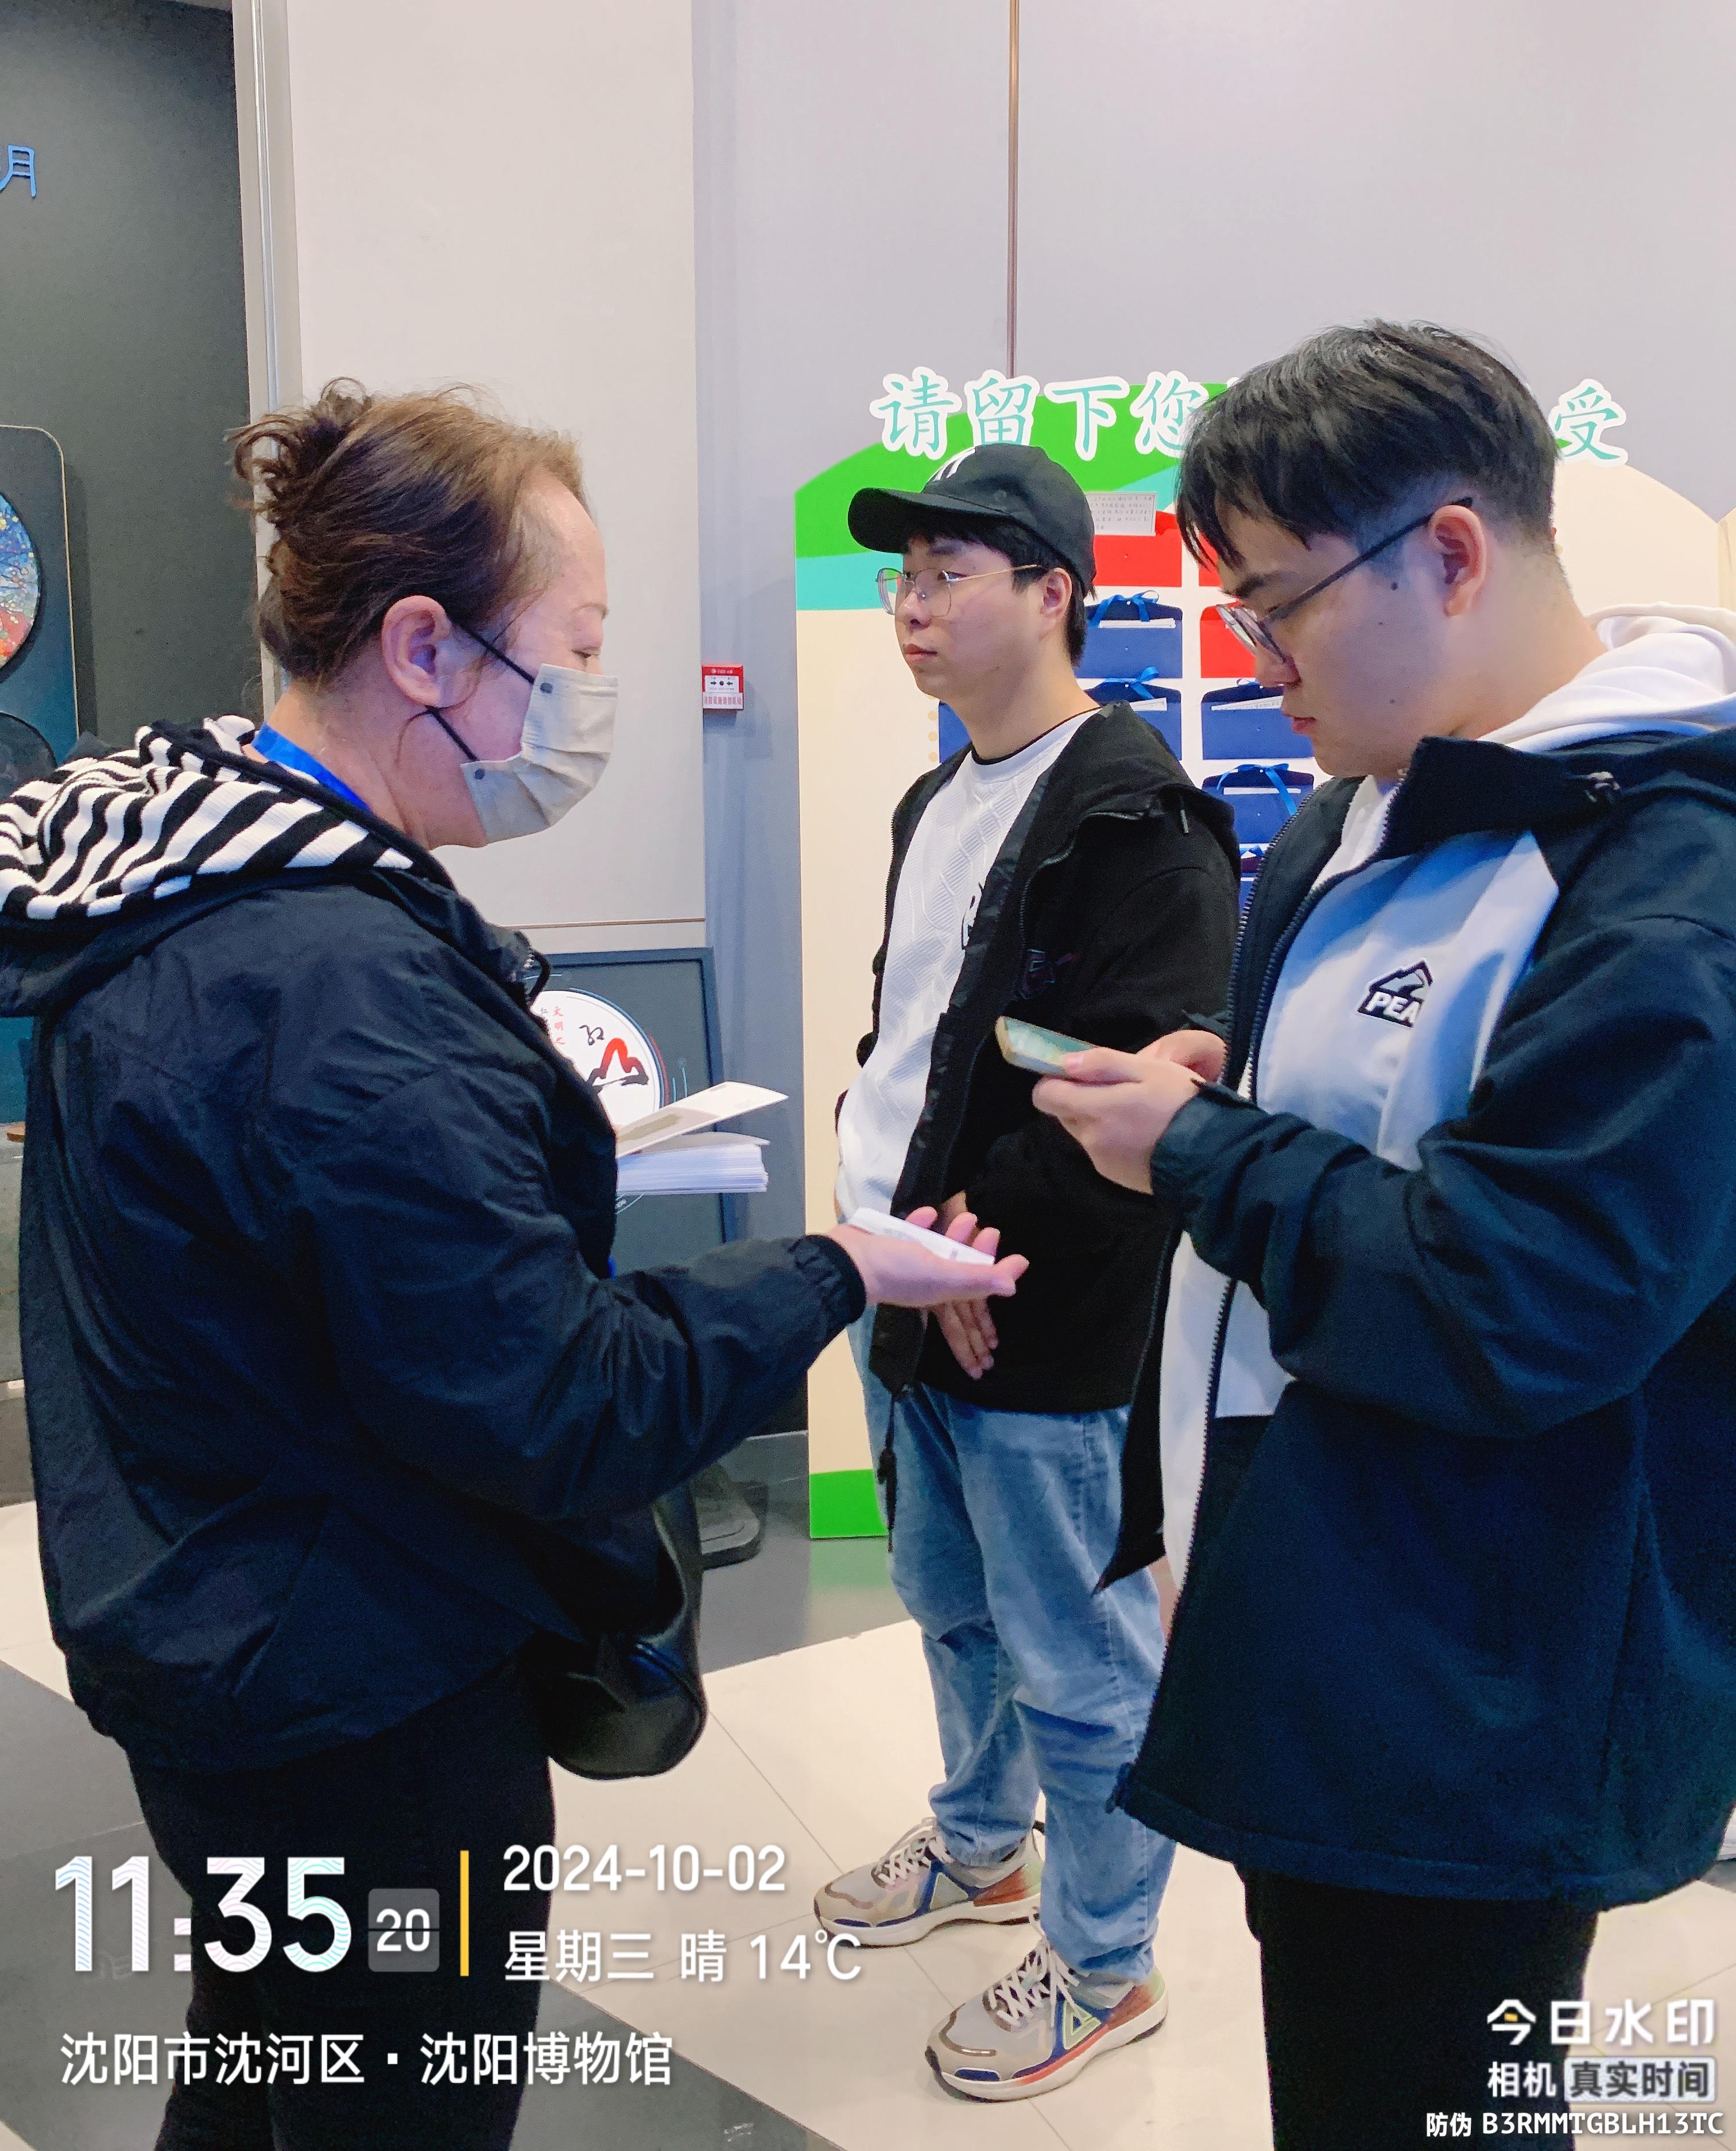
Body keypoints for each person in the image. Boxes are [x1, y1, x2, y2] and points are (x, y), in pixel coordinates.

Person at [4, 382, 1026, 2151]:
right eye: (578, 648)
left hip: (201, 1618)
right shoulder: (341, 988)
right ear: (425, 647)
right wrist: (834, 1271)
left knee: (265, 2045)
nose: (588, 700)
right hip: (358, 1684)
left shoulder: (171, 876)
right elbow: (563, 1401)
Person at [1033, 322, 1736, 2147]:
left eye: (1278, 608)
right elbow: (1388, 1119)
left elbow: (1522, 1298)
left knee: (1430, 2091)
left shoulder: (1671, 873)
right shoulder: (1362, 811)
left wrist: (1205, 1152)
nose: (1252, 663)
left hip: (1483, 1672)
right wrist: (1236, 1077)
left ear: (1453, 551)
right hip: (1323, 1599)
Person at [811, 444, 1239, 2099]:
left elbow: (1136, 1098)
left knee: (1081, 1656)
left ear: (1055, 591)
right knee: (951, 1604)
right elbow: (917, 1040)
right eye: (901, 576)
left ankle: (1106, 1962)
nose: (911, 607)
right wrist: (895, 1229)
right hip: (904, 1283)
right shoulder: (936, 802)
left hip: (1033, 1310)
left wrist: (982, 1249)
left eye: (949, 573)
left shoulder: (1142, 817)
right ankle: (984, 1846)